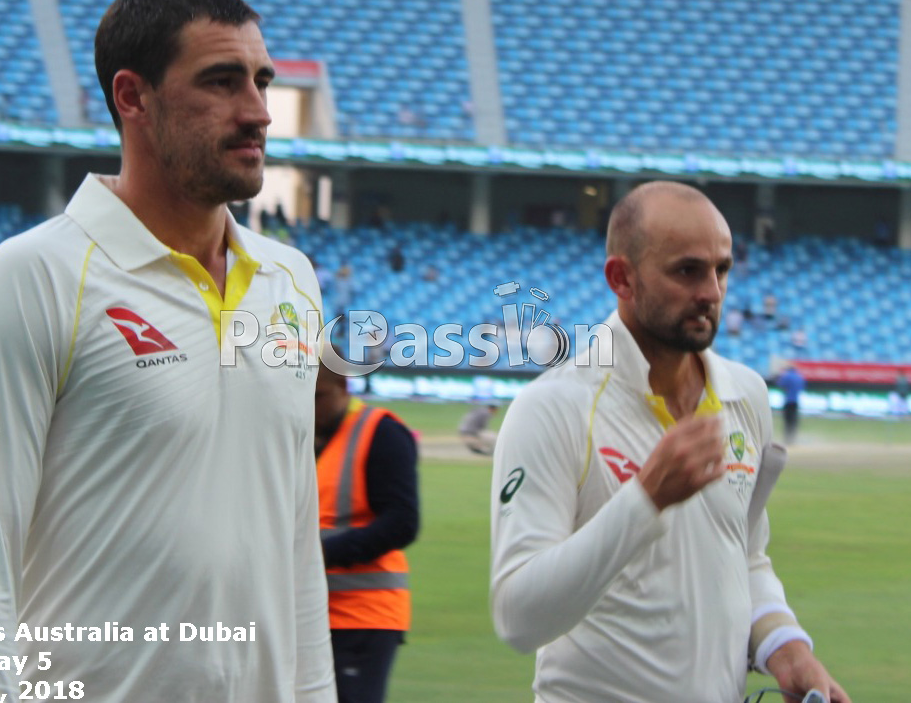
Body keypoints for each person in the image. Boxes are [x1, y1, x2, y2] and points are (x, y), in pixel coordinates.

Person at [0, 0, 335, 703]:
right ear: (132, 97)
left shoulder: (291, 279)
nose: (258, 112)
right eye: (221, 81)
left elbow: (294, 538)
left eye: (262, 81)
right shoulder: (31, 277)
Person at [490, 181, 849, 703]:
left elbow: (744, 556)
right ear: (622, 278)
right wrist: (645, 498)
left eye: (721, 269)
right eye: (687, 270)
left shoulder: (745, 396)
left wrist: (783, 644)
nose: (712, 291)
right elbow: (518, 618)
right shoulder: (553, 408)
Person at [314, 360, 419, 703]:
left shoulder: (381, 432)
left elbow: (402, 522)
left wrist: (321, 554)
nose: (310, 408)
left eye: (319, 397)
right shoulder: (294, 434)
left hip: (362, 613)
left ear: (344, 387)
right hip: (303, 610)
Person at [777, 364, 805, 445]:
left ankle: (787, 439)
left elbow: (780, 384)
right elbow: (802, 387)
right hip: (796, 402)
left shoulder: (787, 376)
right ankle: (794, 438)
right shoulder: (799, 377)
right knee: (794, 421)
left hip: (788, 401)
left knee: (787, 421)